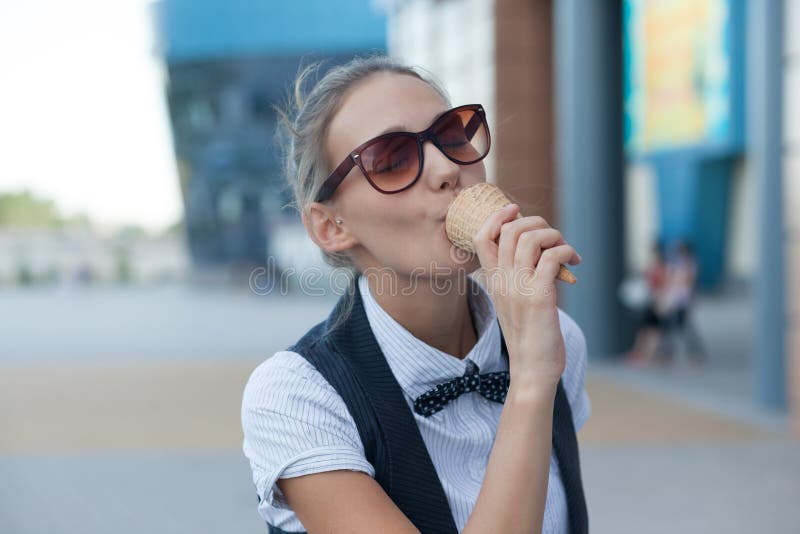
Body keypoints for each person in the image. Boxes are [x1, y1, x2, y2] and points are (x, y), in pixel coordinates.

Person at [241, 55, 590, 534]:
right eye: (392, 159)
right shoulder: (297, 396)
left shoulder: (559, 341)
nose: (448, 168)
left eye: (454, 134)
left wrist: (536, 359)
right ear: (331, 225)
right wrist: (530, 380)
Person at [655, 240, 707, 367]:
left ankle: (693, 352)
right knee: (669, 325)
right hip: (674, 298)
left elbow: (688, 281)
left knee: (683, 326)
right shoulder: (676, 264)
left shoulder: (690, 264)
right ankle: (667, 352)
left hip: (683, 299)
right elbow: (671, 280)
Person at [624, 241, 667, 367]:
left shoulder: (657, 267)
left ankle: (645, 355)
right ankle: (644, 354)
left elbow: (658, 285)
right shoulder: (659, 266)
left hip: (654, 302)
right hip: (653, 301)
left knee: (650, 329)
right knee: (649, 329)